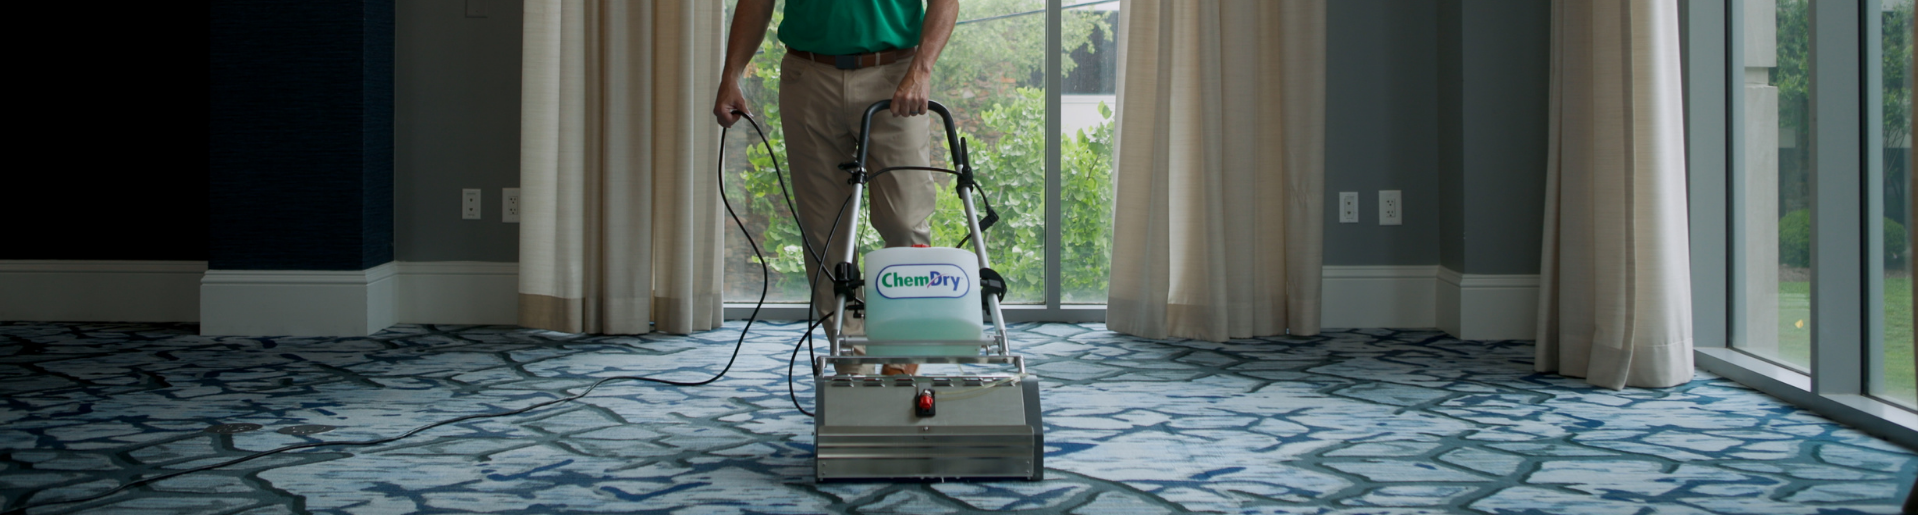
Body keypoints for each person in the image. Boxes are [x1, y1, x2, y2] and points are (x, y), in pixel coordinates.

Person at [713, 0, 959, 376]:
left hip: (895, 74)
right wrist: (733, 73)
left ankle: (902, 357)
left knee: (905, 223)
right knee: (825, 233)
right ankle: (851, 359)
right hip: (809, 76)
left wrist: (922, 69)